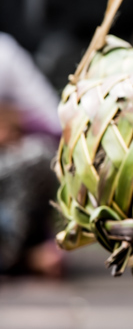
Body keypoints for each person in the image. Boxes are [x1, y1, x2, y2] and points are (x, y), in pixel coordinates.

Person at [0, 32, 62, 278]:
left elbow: (57, 123)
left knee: (37, 156)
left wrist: (16, 120)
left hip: (8, 182)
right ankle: (26, 259)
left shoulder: (4, 53)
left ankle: (17, 254)